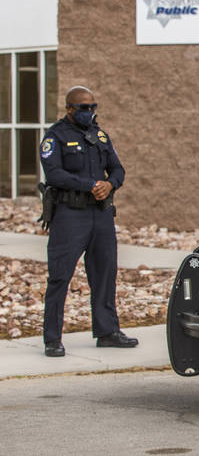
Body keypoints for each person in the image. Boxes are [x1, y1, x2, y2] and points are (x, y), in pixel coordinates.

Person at [38, 86, 138, 357]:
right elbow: (54, 174)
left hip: (101, 214)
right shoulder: (55, 136)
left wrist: (109, 185)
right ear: (69, 109)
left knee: (105, 273)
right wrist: (89, 184)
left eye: (93, 107)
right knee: (59, 276)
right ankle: (52, 338)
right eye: (84, 108)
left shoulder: (100, 135)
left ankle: (107, 332)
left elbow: (118, 169)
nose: (89, 112)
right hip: (70, 215)